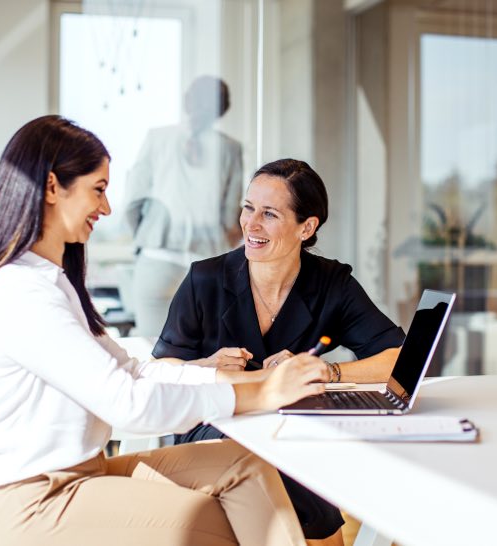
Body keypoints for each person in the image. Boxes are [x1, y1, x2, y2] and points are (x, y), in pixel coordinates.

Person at [0, 116, 335, 546]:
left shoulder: (50, 283)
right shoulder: (20, 292)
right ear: (54, 187)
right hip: (35, 502)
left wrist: (251, 380)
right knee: (218, 522)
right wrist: (258, 395)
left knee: (245, 464)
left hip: (82, 474)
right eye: (98, 189)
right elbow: (127, 403)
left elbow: (135, 371)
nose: (108, 208)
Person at [153, 158, 406, 544]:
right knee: (279, 465)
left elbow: (399, 359)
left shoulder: (330, 284)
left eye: (269, 214)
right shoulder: (204, 279)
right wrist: (206, 366)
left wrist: (326, 372)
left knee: (291, 459)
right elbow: (162, 369)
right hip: (215, 425)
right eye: (248, 208)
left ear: (307, 227)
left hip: (290, 429)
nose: (250, 225)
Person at [124, 75, 243, 335]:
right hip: (208, 261)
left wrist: (147, 234)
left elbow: (133, 201)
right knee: (209, 353)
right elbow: (231, 217)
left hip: (158, 256)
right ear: (222, 110)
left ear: (187, 101)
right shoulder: (230, 149)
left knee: (153, 350)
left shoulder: (157, 139)